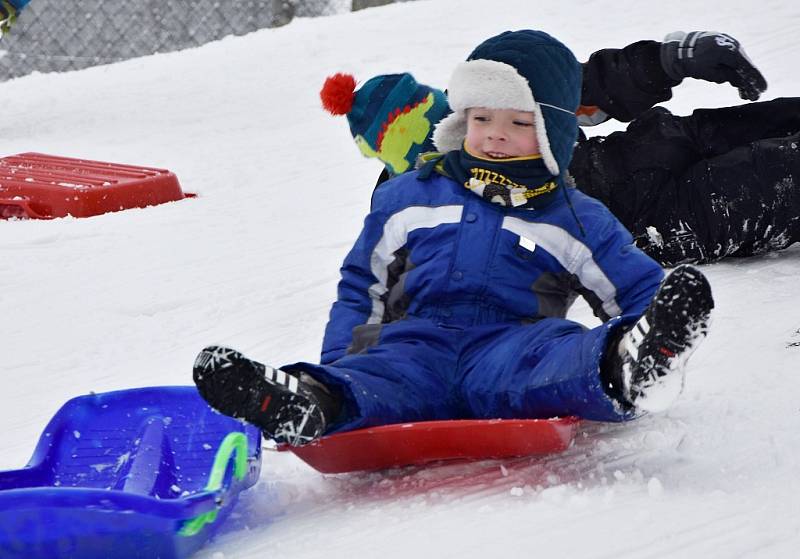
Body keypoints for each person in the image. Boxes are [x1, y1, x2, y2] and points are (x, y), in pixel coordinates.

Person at [193, 30, 714, 447]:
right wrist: (342, 364)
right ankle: (309, 400)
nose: (494, 133)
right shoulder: (408, 196)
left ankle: (628, 367)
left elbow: (634, 288)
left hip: (512, 343)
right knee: (376, 378)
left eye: (518, 121)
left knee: (558, 361)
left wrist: (650, 327)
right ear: (459, 118)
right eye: (480, 117)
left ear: (553, 133)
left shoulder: (574, 217)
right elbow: (362, 285)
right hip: (418, 344)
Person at [321, 31, 800, 267]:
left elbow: (579, 85)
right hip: (663, 217)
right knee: (783, 171)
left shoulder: (492, 109)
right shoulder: (418, 215)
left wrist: (671, 59)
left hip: (656, 146)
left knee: (779, 116)